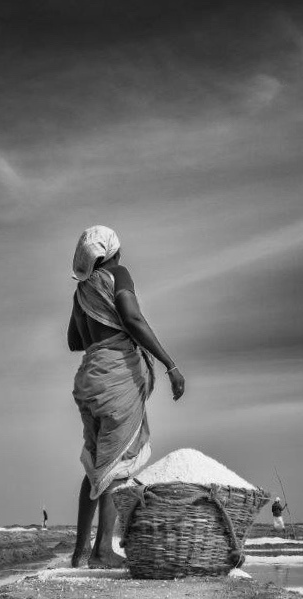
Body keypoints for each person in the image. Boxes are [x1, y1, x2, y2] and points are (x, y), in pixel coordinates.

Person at [67, 225, 186, 568]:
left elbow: (75, 341)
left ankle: (79, 553)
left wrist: (97, 314)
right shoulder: (118, 273)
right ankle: (102, 552)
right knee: (117, 466)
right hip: (117, 379)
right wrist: (170, 364)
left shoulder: (81, 291)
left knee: (95, 466)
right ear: (114, 253)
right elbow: (132, 317)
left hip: (90, 380)